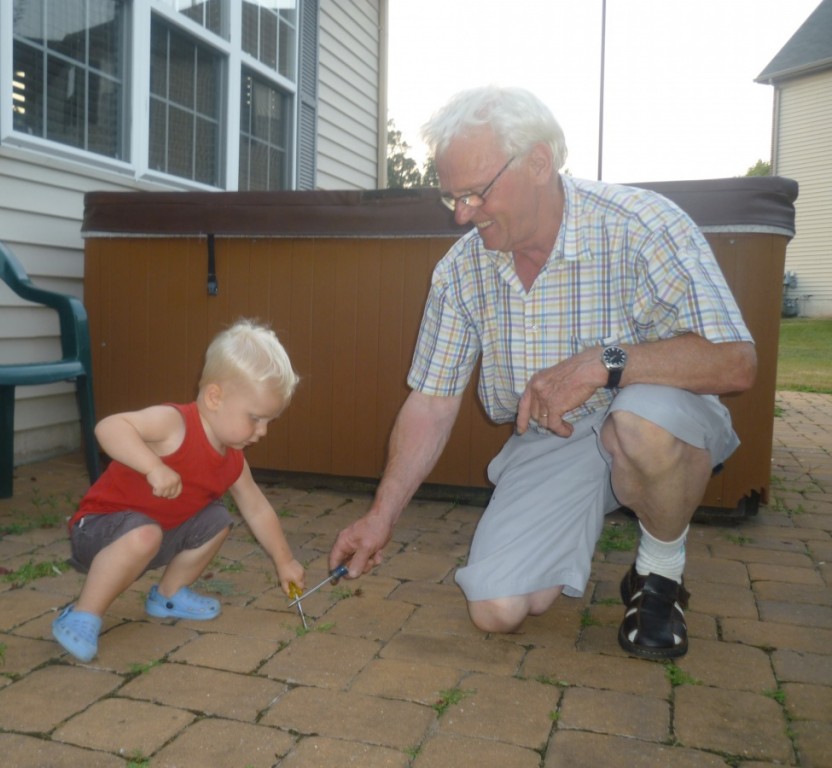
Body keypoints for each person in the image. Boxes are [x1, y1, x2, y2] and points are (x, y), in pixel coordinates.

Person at [330, 85, 756, 660]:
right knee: (496, 609)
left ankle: (660, 577)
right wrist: (380, 519)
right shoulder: (461, 273)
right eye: (451, 199)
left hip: (658, 415)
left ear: (538, 162)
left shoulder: (642, 226)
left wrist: (603, 364)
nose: (462, 216)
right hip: (555, 437)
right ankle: (591, 508)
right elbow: (431, 403)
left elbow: (736, 360)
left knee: (636, 428)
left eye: (476, 194)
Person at [54, 319, 305, 662]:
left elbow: (257, 508)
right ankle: (83, 614)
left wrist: (285, 559)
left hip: (155, 536)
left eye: (269, 422)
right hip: (100, 532)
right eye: (255, 418)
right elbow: (109, 427)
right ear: (215, 397)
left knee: (217, 520)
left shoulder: (233, 458)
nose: (262, 431)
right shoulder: (174, 424)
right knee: (144, 535)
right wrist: (153, 466)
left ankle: (168, 595)